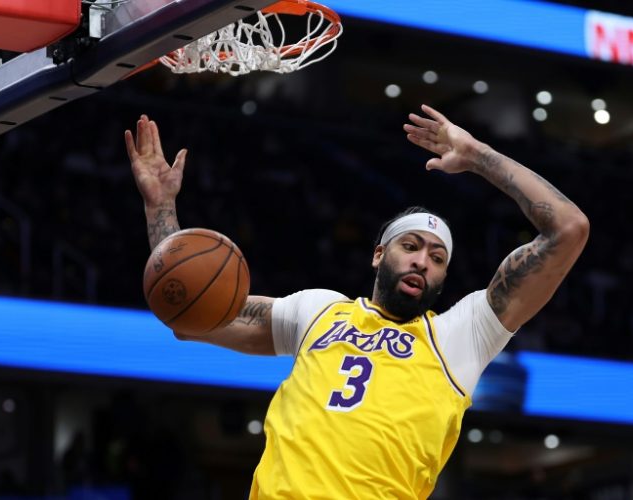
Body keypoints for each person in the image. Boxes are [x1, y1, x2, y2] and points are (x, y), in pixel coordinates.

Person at [124, 104, 589, 499]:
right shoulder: (319, 311)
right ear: (379, 254)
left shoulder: (459, 336)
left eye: (437, 256)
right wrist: (160, 207)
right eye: (411, 246)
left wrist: (477, 156)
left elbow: (567, 228)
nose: (423, 261)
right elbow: (194, 316)